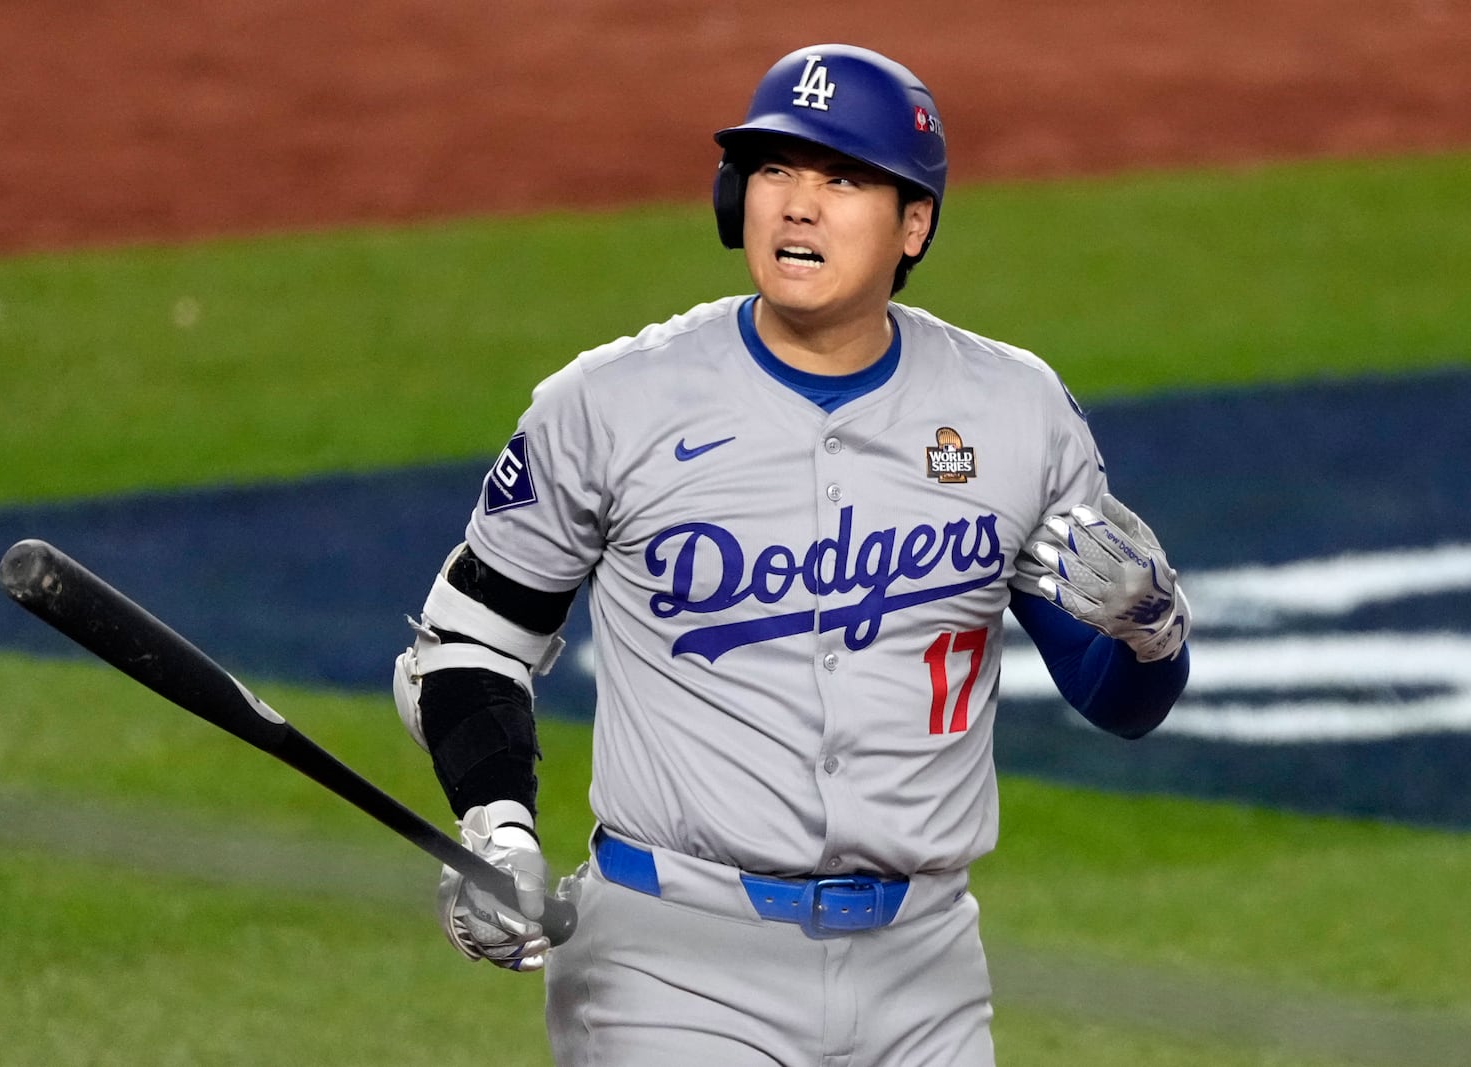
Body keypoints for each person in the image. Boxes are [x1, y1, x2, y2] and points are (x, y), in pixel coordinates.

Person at [392, 43, 1190, 1066]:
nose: (798, 204)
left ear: (915, 223)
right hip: (672, 964)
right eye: (774, 171)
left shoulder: (1012, 410)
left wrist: (1151, 632)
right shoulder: (606, 405)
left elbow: (1119, 703)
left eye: (842, 177)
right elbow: (467, 644)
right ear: (736, 199)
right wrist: (495, 823)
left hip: (926, 965)